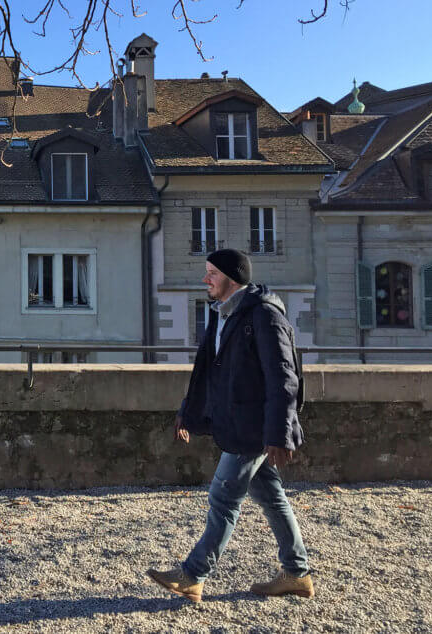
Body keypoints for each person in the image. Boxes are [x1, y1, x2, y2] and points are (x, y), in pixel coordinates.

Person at [147, 249, 313, 603]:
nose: (205, 279)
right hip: (242, 424)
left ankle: (193, 575)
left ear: (232, 278)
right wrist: (187, 412)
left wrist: (279, 433)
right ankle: (297, 574)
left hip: (253, 429)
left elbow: (284, 379)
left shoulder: (264, 316)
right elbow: (208, 371)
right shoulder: (222, 313)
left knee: (222, 499)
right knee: (272, 498)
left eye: (212, 273)